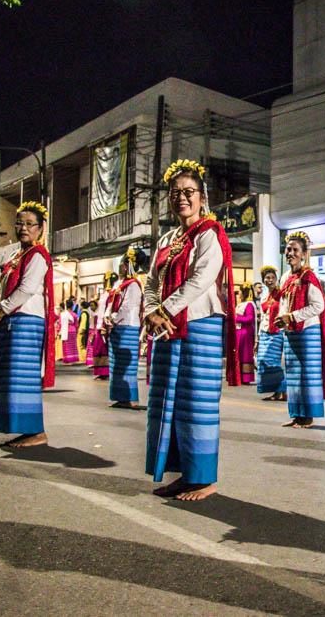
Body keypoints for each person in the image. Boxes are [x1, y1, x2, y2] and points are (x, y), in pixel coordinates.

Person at [143, 159, 239, 501]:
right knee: (173, 403)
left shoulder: (209, 233)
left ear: (202, 197)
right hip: (168, 327)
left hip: (200, 325)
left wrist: (164, 309)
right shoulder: (168, 239)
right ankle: (185, 474)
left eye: (189, 192)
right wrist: (151, 310)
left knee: (198, 404)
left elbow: (201, 279)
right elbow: (152, 280)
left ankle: (204, 479)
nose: (182, 198)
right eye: (176, 193)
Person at [0, 201, 56, 449]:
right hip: (11, 320)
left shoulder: (38, 255)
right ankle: (24, 429)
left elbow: (26, 289)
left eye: (30, 224)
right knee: (9, 378)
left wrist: (1, 311)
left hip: (26, 321)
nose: (24, 228)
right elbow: (4, 288)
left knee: (22, 378)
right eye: (20, 223)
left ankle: (36, 431)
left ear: (40, 228)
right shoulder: (17, 256)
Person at [275, 230, 325, 428]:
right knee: (293, 374)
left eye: (294, 250)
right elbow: (283, 303)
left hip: (308, 332)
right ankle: (297, 414)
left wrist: (292, 316)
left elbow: (318, 306)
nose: (290, 253)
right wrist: (280, 319)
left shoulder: (308, 277)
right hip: (291, 332)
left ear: (303, 254)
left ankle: (307, 416)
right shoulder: (286, 277)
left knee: (307, 375)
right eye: (288, 249)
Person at [107, 247, 145, 409]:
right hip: (118, 325)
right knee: (118, 364)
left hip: (127, 325)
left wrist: (113, 318)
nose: (120, 267)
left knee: (126, 364)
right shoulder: (120, 284)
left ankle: (130, 397)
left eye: (123, 264)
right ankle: (121, 397)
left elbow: (128, 307)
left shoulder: (134, 285)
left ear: (128, 265)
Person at [256, 265, 287, 401]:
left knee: (271, 361)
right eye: (267, 278)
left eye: (272, 277)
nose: (270, 280)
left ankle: (283, 390)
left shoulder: (281, 295)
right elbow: (263, 317)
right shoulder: (264, 297)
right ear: (263, 280)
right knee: (262, 361)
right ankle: (276, 391)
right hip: (264, 332)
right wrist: (257, 338)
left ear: (276, 279)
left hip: (276, 332)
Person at [234, 282, 257, 384]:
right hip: (239, 332)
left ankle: (246, 378)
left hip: (246, 333)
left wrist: (236, 318)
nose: (238, 295)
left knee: (245, 354)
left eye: (239, 292)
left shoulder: (249, 304)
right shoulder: (240, 304)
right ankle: (238, 376)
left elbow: (250, 318)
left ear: (244, 293)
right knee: (239, 353)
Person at [59, 299, 80, 364]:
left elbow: (60, 323)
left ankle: (67, 359)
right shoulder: (74, 315)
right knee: (73, 346)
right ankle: (73, 359)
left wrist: (59, 331)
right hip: (73, 331)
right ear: (72, 306)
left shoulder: (62, 314)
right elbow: (76, 325)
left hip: (65, 331)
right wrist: (76, 331)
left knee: (66, 345)